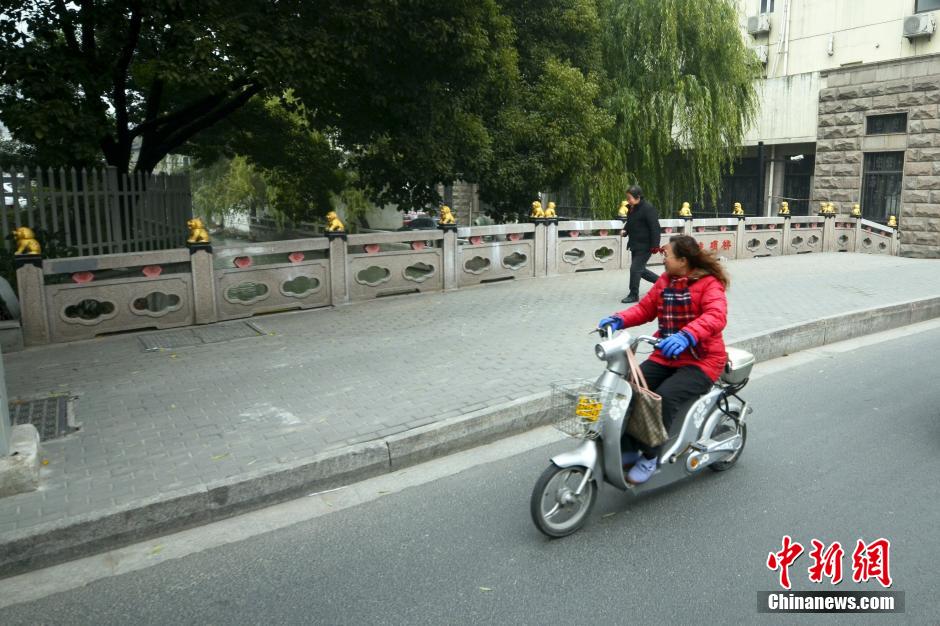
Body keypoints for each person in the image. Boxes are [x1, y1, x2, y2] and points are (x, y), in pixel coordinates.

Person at [597, 234, 730, 485]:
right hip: (666, 355)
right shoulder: (666, 281)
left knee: (665, 397)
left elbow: (716, 316)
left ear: (683, 260)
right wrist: (620, 318)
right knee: (629, 388)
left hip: (702, 360)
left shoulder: (710, 284)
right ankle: (627, 447)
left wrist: (688, 335)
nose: (663, 258)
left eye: (666, 255)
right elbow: (646, 308)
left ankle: (650, 457)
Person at [620, 185, 661, 304]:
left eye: (630, 198)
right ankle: (662, 282)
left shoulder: (648, 208)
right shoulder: (632, 208)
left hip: (646, 245)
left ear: (638, 197)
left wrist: (655, 245)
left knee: (635, 269)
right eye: (627, 198)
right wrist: (625, 231)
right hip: (635, 244)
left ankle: (633, 294)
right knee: (640, 270)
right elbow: (631, 222)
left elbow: (655, 228)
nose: (628, 200)